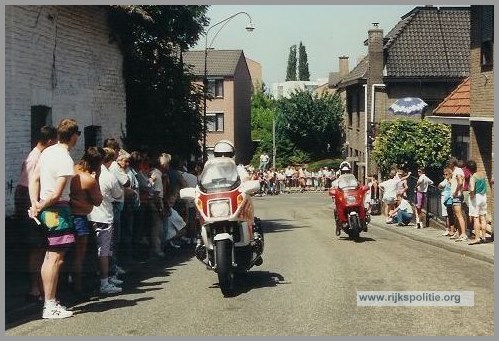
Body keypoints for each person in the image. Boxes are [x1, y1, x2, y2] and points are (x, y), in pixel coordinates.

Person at [28, 118, 80, 319]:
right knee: (55, 259)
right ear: (74, 136)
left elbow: (34, 179)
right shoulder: (66, 160)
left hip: (44, 209)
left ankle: (49, 302)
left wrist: (35, 203)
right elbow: (58, 194)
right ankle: (50, 305)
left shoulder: (47, 152)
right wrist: (40, 205)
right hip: (57, 211)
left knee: (49, 257)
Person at [15, 125, 57, 304]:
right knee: (36, 247)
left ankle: (39, 286)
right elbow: (28, 185)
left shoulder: (38, 156)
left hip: (34, 202)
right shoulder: (36, 158)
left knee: (40, 246)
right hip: (31, 204)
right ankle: (34, 289)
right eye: (54, 142)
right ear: (49, 141)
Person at [87, 147, 124, 295]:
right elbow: (118, 194)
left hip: (89, 215)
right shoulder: (109, 177)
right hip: (104, 216)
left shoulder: (87, 174)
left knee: (92, 249)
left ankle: (95, 277)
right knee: (105, 251)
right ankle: (105, 281)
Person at [69, 147, 104, 299]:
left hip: (66, 214)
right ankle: (77, 289)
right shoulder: (88, 179)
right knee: (79, 255)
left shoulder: (72, 170)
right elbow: (98, 200)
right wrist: (97, 178)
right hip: (80, 217)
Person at [467, 160, 488, 245]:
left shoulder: (473, 177)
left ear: (468, 169)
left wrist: (471, 196)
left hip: (476, 197)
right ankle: (484, 237)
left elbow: (472, 189)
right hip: (483, 196)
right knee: (483, 217)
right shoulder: (482, 174)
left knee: (475, 218)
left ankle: (477, 238)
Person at [448, 157, 467, 241]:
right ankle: (459, 233)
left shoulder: (458, 171)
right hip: (457, 196)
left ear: (452, 164)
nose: (448, 165)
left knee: (459, 215)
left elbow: (459, 182)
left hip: (457, 196)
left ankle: (463, 234)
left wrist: (456, 192)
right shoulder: (456, 171)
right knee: (457, 215)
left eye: (449, 164)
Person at [438, 168, 455, 237]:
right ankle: (448, 229)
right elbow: (439, 185)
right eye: (444, 174)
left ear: (450, 174)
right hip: (445, 198)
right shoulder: (445, 180)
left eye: (446, 174)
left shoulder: (450, 181)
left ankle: (449, 229)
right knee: (447, 215)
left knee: (449, 214)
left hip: (449, 198)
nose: (445, 176)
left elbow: (441, 185)